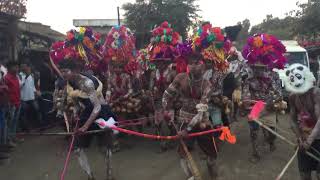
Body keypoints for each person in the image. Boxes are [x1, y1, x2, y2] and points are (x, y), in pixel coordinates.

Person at [162, 53, 218, 180]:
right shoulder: (180, 78)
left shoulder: (207, 85)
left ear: (203, 66)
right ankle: (191, 177)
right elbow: (166, 94)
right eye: (191, 63)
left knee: (211, 156)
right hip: (183, 120)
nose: (193, 66)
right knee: (183, 154)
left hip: (201, 122)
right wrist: (167, 109)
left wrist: (187, 130)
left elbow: (201, 112)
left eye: (196, 63)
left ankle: (213, 175)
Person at [58, 59, 117, 180]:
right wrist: (76, 111)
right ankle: (90, 176)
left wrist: (85, 126)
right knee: (77, 149)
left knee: (104, 148)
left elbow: (97, 107)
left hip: (101, 113)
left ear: (75, 71)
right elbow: (77, 102)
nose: (63, 74)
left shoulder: (87, 83)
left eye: (65, 71)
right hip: (87, 113)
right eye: (61, 71)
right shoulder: (69, 83)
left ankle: (109, 175)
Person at [275, 63, 320, 180]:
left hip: (317, 138)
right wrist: (299, 137)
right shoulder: (292, 97)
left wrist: (310, 141)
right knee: (304, 174)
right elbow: (292, 120)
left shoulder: (316, 93)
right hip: (304, 140)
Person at [4, 61, 21, 146]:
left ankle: (13, 137)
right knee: (9, 123)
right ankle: (8, 140)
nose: (17, 69)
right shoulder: (6, 78)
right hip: (11, 104)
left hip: (18, 102)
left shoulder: (16, 77)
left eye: (17, 67)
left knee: (15, 122)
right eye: (15, 67)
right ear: (9, 68)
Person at [19, 62, 40, 131]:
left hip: (31, 97)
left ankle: (36, 126)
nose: (23, 68)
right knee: (24, 113)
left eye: (25, 66)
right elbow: (20, 86)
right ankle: (25, 128)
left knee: (36, 110)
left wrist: (35, 92)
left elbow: (32, 85)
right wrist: (26, 77)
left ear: (28, 67)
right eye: (22, 66)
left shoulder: (31, 75)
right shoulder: (19, 75)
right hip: (23, 98)